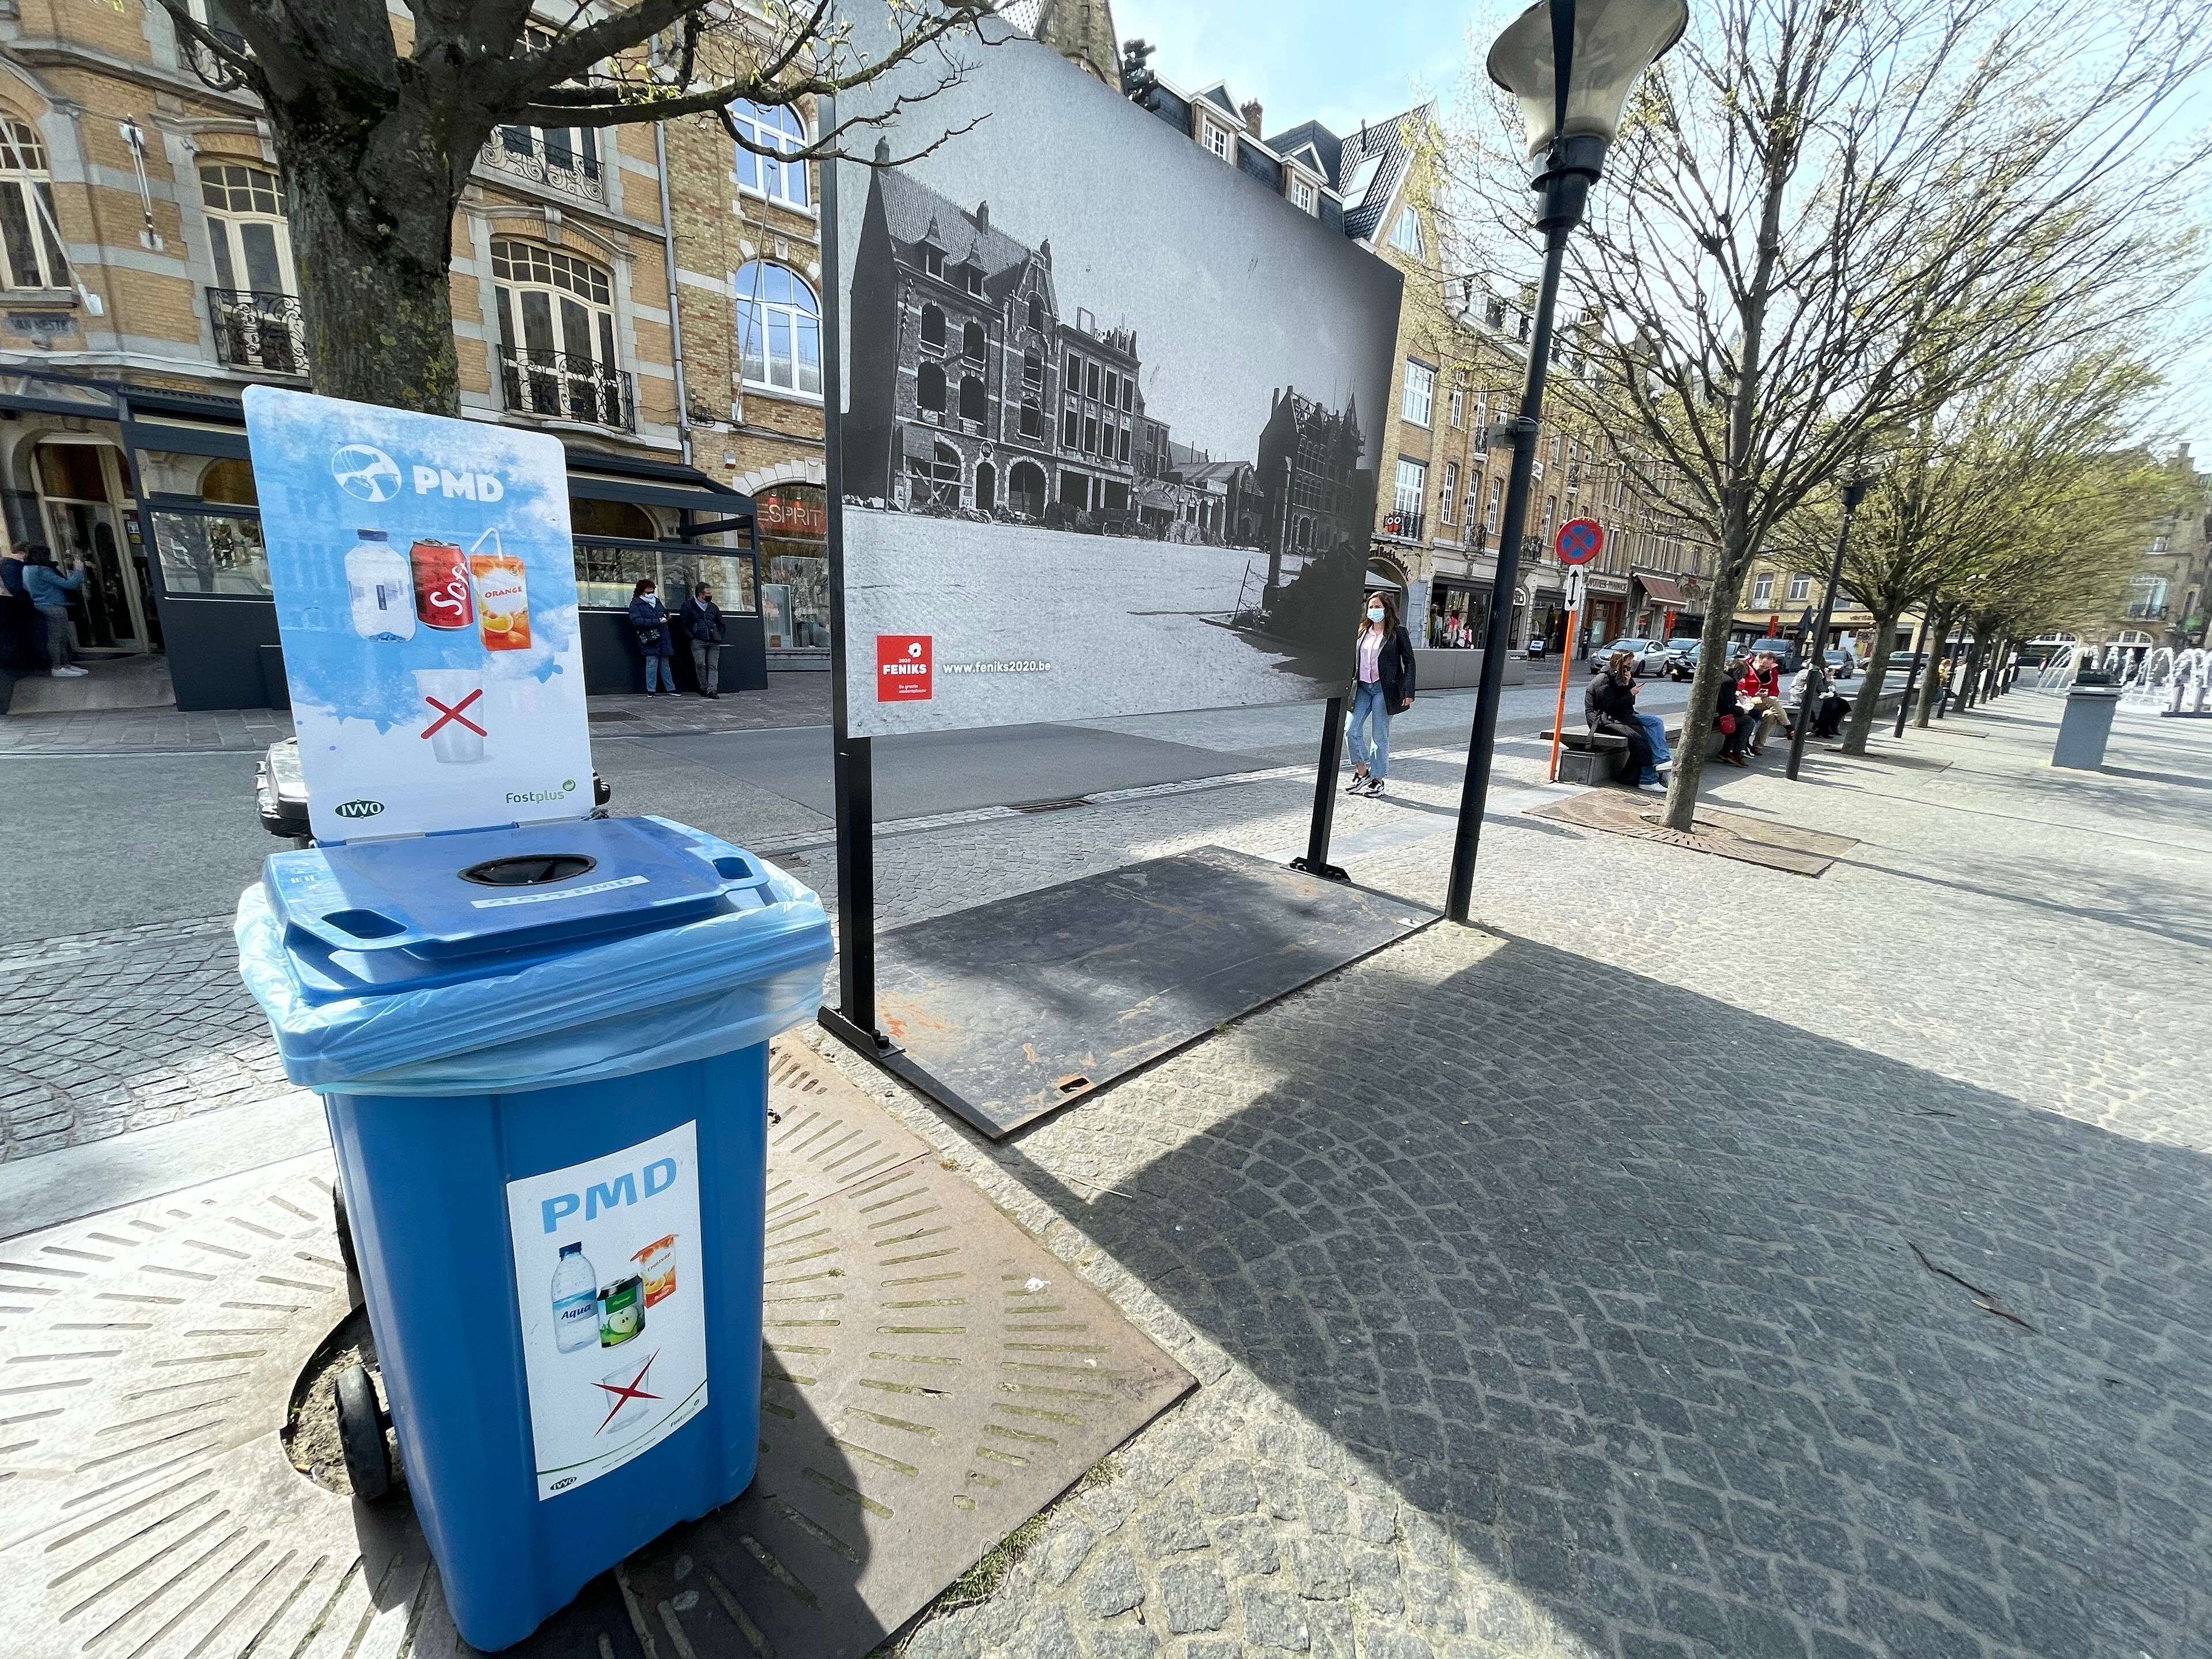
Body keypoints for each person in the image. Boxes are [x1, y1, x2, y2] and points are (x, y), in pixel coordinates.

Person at [1345, 590, 1415, 798]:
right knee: (1351, 730)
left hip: (1384, 690)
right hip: (1362, 688)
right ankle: (1362, 773)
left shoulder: (1397, 632)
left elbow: (1409, 662)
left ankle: (1378, 780)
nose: (1373, 611)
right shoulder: (1362, 632)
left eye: (1377, 607)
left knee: (1379, 735)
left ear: (1387, 609)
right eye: (1370, 607)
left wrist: (1408, 691)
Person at [1587, 649, 1662, 790]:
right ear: (1619, 663)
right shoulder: (1604, 679)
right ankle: (1647, 778)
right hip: (1601, 719)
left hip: (1618, 716)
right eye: (1628, 663)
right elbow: (1609, 706)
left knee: (1649, 729)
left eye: (1632, 663)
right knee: (1638, 736)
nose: (1630, 666)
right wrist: (1630, 693)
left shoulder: (1622, 676)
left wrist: (1628, 685)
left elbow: (1628, 704)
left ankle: (1648, 771)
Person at [20, 545, 88, 677]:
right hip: (53, 605)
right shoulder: (42, 570)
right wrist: (79, 571)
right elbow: (70, 584)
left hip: (41, 604)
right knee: (58, 638)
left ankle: (65, 666)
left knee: (58, 637)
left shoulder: (27, 569)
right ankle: (58, 667)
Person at [680, 580, 726, 699]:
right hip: (698, 641)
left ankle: (712, 690)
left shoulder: (713, 607)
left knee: (713, 666)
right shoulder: (688, 606)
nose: (710, 596)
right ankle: (704, 687)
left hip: (713, 640)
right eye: (708, 594)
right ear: (700, 594)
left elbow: (721, 624)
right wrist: (692, 637)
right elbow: (684, 624)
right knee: (700, 664)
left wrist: (719, 636)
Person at [628, 578, 674, 695]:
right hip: (649, 638)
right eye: (648, 592)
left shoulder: (657, 602)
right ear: (641, 591)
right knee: (652, 663)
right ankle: (651, 690)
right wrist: (657, 621)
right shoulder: (636, 604)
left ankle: (671, 688)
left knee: (665, 663)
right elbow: (637, 621)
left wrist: (666, 616)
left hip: (663, 636)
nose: (651, 594)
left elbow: (662, 612)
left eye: (652, 591)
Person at [1738, 649, 1789, 754]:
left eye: (1767, 668)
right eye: (1762, 666)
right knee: (1772, 702)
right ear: (1756, 660)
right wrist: (1755, 694)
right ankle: (1789, 727)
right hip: (1746, 700)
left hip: (1762, 702)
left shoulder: (1772, 672)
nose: (1764, 670)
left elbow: (1775, 690)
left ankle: (1758, 746)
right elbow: (1740, 687)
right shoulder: (1745, 668)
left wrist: (1767, 694)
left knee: (1770, 715)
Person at [1714, 673, 1752, 766]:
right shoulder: (1728, 682)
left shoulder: (1722, 676)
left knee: (1739, 720)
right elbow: (1728, 706)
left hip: (1715, 712)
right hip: (1719, 715)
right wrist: (1742, 711)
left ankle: (1727, 750)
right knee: (1748, 721)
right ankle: (1737, 752)